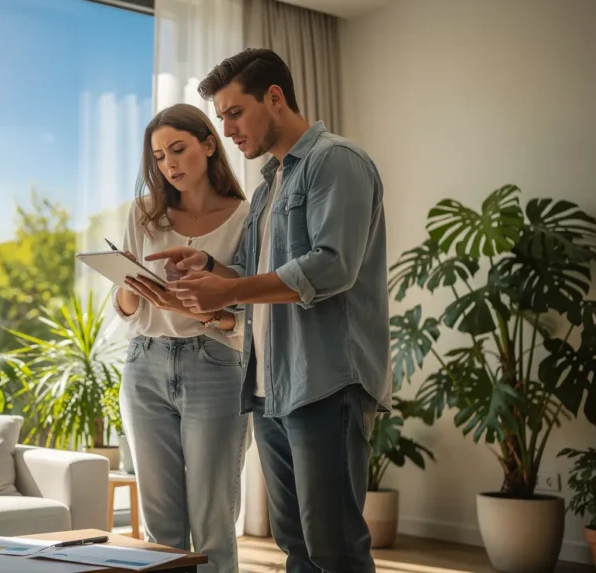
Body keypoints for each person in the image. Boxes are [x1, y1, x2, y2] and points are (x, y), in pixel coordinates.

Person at [146, 48, 391, 573]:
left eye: (235, 113)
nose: (229, 131)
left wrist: (222, 292)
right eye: (222, 118)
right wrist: (210, 266)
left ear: (274, 98)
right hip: (272, 387)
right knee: (296, 545)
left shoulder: (335, 161)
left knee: (335, 547)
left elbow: (331, 267)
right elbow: (255, 281)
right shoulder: (266, 187)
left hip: (326, 382)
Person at [110, 103, 250, 573]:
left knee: (213, 524)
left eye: (178, 149)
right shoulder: (145, 214)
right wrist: (130, 287)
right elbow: (126, 310)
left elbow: (247, 312)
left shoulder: (245, 216)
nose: (169, 164)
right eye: (159, 155)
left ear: (209, 145)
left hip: (214, 367)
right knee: (160, 527)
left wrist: (200, 310)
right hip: (143, 365)